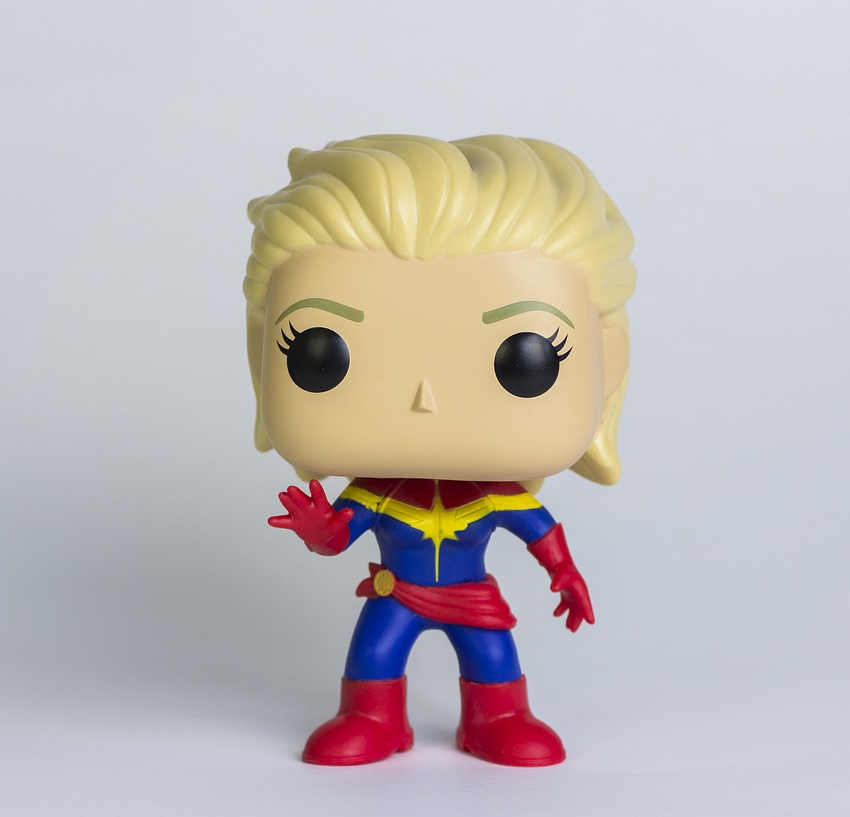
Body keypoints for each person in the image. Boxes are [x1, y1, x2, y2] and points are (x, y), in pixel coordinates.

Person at [244, 135, 634, 766]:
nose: (425, 401)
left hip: (470, 595)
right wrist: (320, 530)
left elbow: (540, 530)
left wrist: (564, 571)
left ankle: (499, 716)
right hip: (395, 594)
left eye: (526, 360)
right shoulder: (377, 494)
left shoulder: (494, 496)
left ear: (605, 365)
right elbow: (340, 534)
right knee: (375, 653)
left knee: (493, 656)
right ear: (260, 355)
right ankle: (371, 716)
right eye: (320, 353)